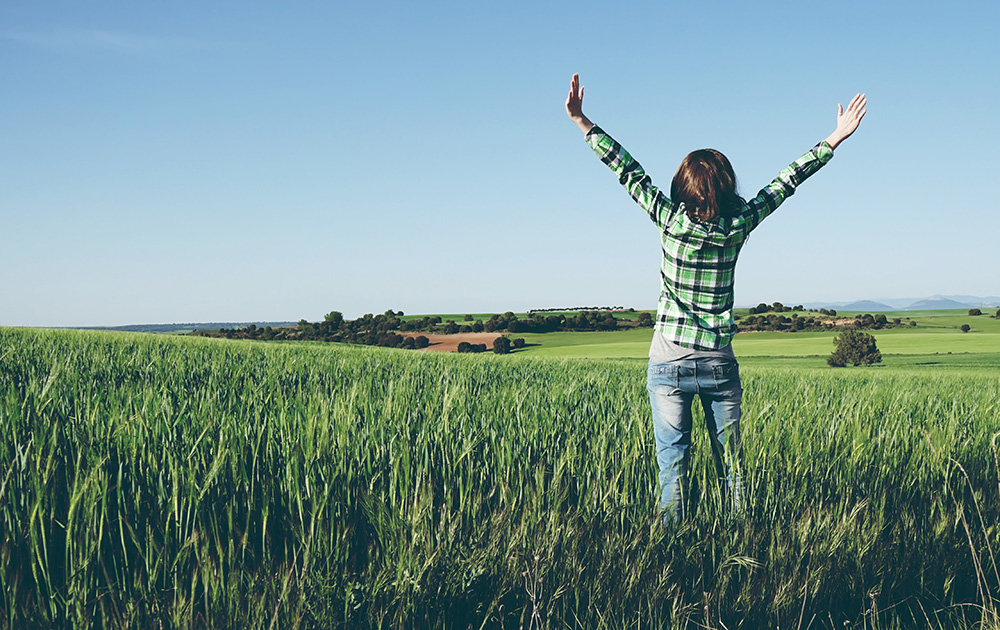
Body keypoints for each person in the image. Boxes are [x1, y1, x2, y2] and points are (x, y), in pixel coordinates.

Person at [565, 73, 866, 523]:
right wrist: (834, 139)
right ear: (726, 187)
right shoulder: (738, 224)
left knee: (673, 467)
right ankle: (743, 540)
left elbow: (626, 169)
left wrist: (582, 121)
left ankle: (674, 553)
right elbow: (785, 182)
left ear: (682, 188)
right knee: (734, 468)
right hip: (719, 362)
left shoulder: (668, 220)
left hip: (667, 360)